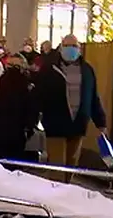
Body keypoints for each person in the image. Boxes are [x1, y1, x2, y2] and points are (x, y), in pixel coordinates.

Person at [34, 34, 106, 174]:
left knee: (71, 166)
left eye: (74, 46)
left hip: (78, 124)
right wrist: (34, 118)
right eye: (67, 46)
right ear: (61, 48)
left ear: (79, 49)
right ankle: (56, 188)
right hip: (55, 124)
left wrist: (101, 123)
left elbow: (93, 97)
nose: (70, 49)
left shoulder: (87, 70)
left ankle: (67, 186)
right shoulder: (50, 69)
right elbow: (39, 95)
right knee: (57, 166)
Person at [0, 54, 39, 162]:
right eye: (10, 66)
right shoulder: (28, 88)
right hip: (12, 135)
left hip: (4, 134)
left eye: (15, 66)